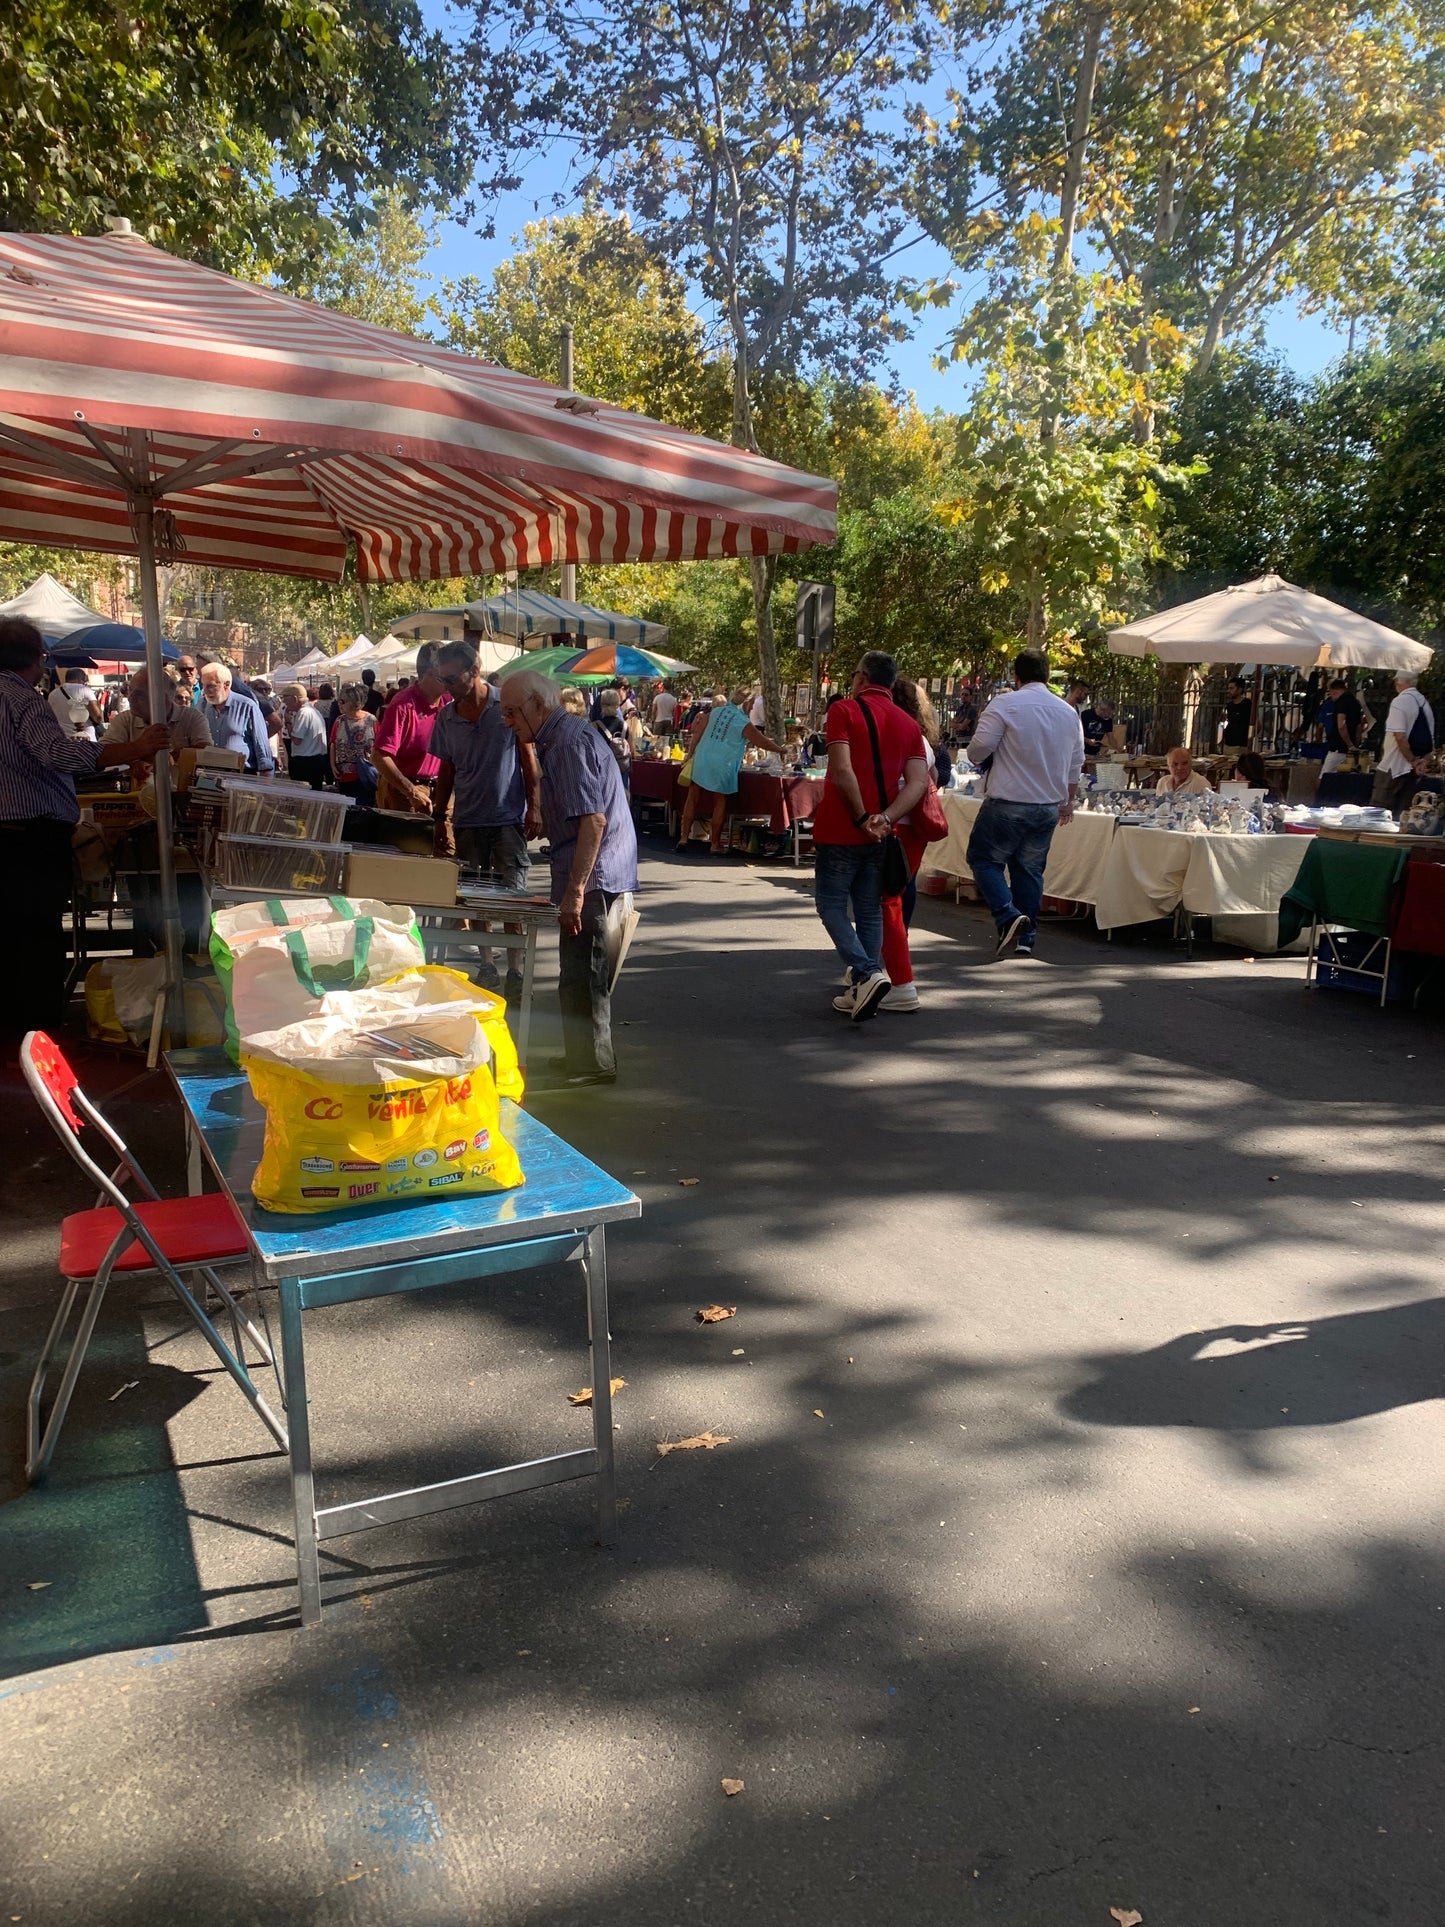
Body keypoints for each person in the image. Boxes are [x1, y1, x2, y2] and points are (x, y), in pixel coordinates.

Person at [0, 618, 170, 1034]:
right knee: (36, 937)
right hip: (28, 839)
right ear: (35, 659)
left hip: (16, 837)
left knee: (12, 936)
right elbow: (57, 755)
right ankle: (35, 1031)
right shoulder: (20, 698)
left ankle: (14, 1024)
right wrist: (134, 748)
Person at [499, 669, 638, 1086]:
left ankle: (593, 1063)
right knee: (577, 970)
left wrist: (576, 891)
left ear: (538, 705)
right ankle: (583, 1056)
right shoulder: (562, 736)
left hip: (594, 873)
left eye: (511, 713)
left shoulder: (565, 743)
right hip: (593, 866)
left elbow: (593, 822)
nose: (507, 722)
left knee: (584, 971)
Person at [812, 650, 928, 1020]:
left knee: (830, 904)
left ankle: (866, 972)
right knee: (869, 909)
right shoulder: (910, 725)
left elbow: (842, 770)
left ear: (861, 677)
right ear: (892, 684)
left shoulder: (843, 711)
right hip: (882, 832)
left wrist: (861, 816)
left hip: (841, 825)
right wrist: (886, 818)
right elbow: (918, 783)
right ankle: (862, 986)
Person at [431, 641, 541, 998]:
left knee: (511, 897)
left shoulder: (503, 706)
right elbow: (445, 769)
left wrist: (535, 807)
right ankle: (487, 964)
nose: (445, 686)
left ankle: (516, 970)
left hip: (507, 817)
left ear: (473, 671)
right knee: (475, 897)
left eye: (451, 679)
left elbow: (528, 758)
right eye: (441, 679)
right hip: (467, 819)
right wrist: (438, 817)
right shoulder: (447, 717)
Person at [965, 650, 1084, 959]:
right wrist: (1067, 802)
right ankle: (1026, 937)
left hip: (1008, 801)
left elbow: (978, 750)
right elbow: (1076, 764)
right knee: (1029, 870)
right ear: (1047, 675)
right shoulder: (1068, 712)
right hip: (1046, 805)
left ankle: (1006, 914)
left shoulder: (1006, 703)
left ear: (1016, 676)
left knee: (983, 860)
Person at [878, 679, 946, 1013]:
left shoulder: (901, 735)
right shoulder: (920, 738)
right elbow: (930, 778)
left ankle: (901, 981)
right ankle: (882, 971)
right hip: (911, 828)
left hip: (896, 827)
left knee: (887, 902)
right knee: (893, 900)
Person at [676, 686, 780, 855]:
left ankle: (683, 839)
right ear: (746, 703)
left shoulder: (716, 712)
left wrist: (690, 754)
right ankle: (714, 843)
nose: (753, 707)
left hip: (703, 758)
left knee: (692, 798)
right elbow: (763, 742)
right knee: (719, 802)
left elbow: (698, 733)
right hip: (723, 764)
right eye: (752, 703)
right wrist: (782, 750)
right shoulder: (742, 721)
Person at [372, 642, 449, 813]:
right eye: (444, 676)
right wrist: (411, 792)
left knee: (445, 840)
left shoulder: (448, 702)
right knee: (406, 840)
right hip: (405, 790)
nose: (450, 680)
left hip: (440, 787)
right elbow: (379, 756)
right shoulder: (403, 705)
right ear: (429, 673)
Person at [103, 666, 211, 760]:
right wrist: (138, 749)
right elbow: (100, 753)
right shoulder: (125, 719)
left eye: (139, 694)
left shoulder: (192, 718)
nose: (131, 698)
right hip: (138, 783)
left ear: (163, 697)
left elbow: (207, 754)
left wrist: (170, 756)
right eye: (130, 690)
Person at [1372, 671, 1435, 816]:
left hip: (1393, 766)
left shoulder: (1400, 701)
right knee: (1404, 813)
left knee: (1379, 813)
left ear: (1399, 682)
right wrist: (1421, 762)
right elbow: (1430, 742)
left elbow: (1399, 736)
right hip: (1414, 769)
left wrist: (1412, 760)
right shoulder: (1425, 703)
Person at [200, 661, 274, 773]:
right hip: (210, 773)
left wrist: (265, 775)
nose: (205, 690)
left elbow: (261, 744)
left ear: (226, 684)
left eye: (211, 686)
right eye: (203, 685)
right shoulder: (203, 707)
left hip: (242, 775)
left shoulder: (247, 706)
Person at [329, 681, 377, 801]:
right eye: (339, 701)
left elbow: (378, 744)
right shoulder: (339, 721)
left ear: (354, 702)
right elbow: (333, 743)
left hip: (366, 774)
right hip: (344, 775)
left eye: (343, 701)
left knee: (365, 806)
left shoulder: (371, 720)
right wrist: (332, 764)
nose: (339, 704)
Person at [281, 683, 330, 788]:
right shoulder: (311, 711)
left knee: (304, 796)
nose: (283, 701)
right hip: (313, 760)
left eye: (285, 698)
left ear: (295, 698)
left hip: (306, 762)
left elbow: (297, 740)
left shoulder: (304, 713)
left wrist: (288, 723)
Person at [1316, 678, 1364, 772]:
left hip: (1338, 747)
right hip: (1350, 749)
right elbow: (1359, 725)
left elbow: (1341, 725)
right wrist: (1355, 743)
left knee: (1325, 776)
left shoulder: (1341, 703)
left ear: (1334, 691)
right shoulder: (1355, 703)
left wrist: (1349, 744)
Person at [48, 667, 101, 741]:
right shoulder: (85, 690)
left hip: (63, 738)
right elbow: (98, 717)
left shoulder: (52, 694)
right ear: (80, 679)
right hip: (85, 738)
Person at [593, 687, 632, 773]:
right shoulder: (625, 726)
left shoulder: (595, 726)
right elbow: (631, 750)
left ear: (601, 704)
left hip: (603, 771)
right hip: (621, 771)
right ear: (618, 705)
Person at [1222, 677, 1254, 749]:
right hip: (1228, 743)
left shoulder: (1247, 704)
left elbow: (1256, 724)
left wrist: (1249, 738)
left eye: (1232, 688)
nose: (1229, 691)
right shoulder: (1230, 705)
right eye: (1228, 688)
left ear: (1239, 689)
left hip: (1241, 745)